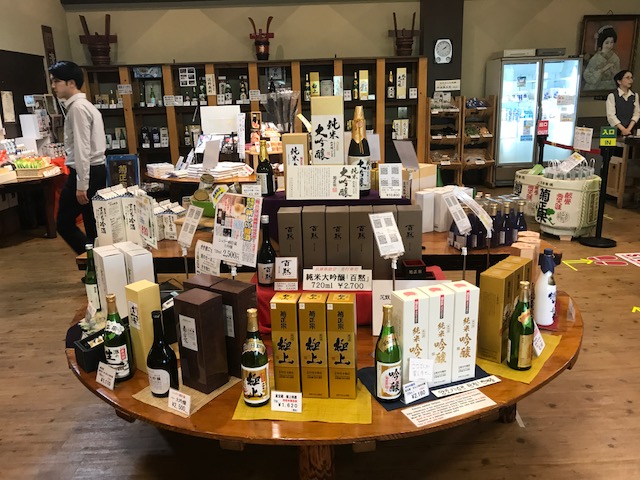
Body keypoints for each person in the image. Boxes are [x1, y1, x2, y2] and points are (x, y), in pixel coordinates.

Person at [49, 60, 107, 255]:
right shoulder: (84, 106)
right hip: (94, 170)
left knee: (64, 223)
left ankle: (91, 262)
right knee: (92, 224)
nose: (53, 86)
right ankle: (96, 263)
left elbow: (82, 148)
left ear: (71, 83)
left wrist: (82, 184)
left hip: (86, 171)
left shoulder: (78, 108)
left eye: (57, 81)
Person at [583, 25, 620, 91]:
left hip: (611, 88)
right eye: (606, 43)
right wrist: (602, 70)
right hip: (596, 88)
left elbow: (619, 76)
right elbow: (588, 76)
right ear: (601, 43)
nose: (609, 46)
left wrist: (614, 72)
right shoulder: (595, 59)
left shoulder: (615, 58)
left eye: (611, 42)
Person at [606, 69, 640, 137]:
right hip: (615, 130)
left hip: (631, 130)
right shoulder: (612, 96)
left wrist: (628, 129)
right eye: (627, 78)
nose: (630, 80)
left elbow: (637, 113)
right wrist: (623, 129)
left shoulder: (634, 95)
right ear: (619, 81)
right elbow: (611, 116)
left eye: (631, 78)